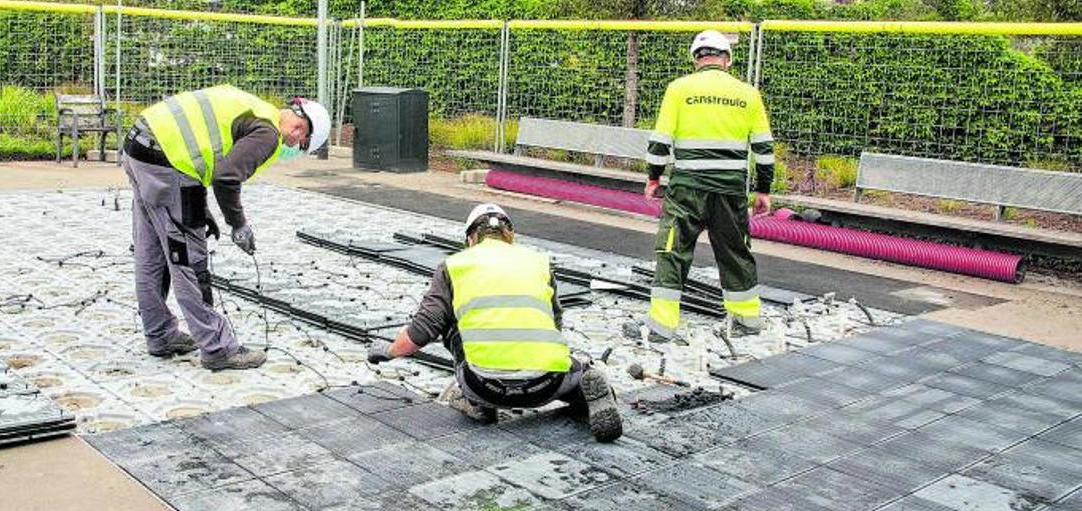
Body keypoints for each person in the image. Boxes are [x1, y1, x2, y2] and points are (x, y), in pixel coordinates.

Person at [367, 204, 623, 443]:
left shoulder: (453, 266)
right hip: (546, 384)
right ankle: (583, 389)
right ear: (510, 236)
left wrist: (388, 351)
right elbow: (555, 324)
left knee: (451, 322)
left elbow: (421, 332)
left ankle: (477, 403)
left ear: (470, 239)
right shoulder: (539, 263)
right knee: (573, 368)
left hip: (484, 385)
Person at [122, 85, 330, 370]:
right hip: (165, 159)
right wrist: (239, 224)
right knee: (190, 261)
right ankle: (217, 348)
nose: (294, 146)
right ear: (300, 129)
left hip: (140, 146)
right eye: (301, 142)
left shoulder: (255, 108)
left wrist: (201, 208)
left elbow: (202, 152)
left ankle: (160, 334)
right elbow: (225, 177)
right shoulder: (268, 133)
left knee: (152, 252)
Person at [628, 30, 775, 343]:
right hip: (731, 190)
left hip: (687, 189)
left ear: (696, 58)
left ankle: (661, 326)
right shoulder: (748, 94)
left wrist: (654, 178)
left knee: (673, 250)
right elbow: (764, 149)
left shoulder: (679, 89)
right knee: (736, 251)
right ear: (727, 59)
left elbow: (660, 142)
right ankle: (747, 320)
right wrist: (763, 190)